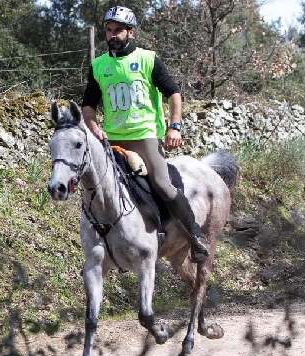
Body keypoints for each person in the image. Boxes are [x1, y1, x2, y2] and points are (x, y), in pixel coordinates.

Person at [81, 5, 209, 263]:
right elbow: (87, 106)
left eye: (118, 30)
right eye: (108, 31)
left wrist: (175, 126)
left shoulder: (148, 59)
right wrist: (94, 128)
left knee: (161, 184)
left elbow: (174, 92)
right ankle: (102, 244)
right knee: (94, 188)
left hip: (145, 135)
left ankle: (195, 236)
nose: (112, 35)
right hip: (112, 139)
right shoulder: (98, 66)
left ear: (131, 33)